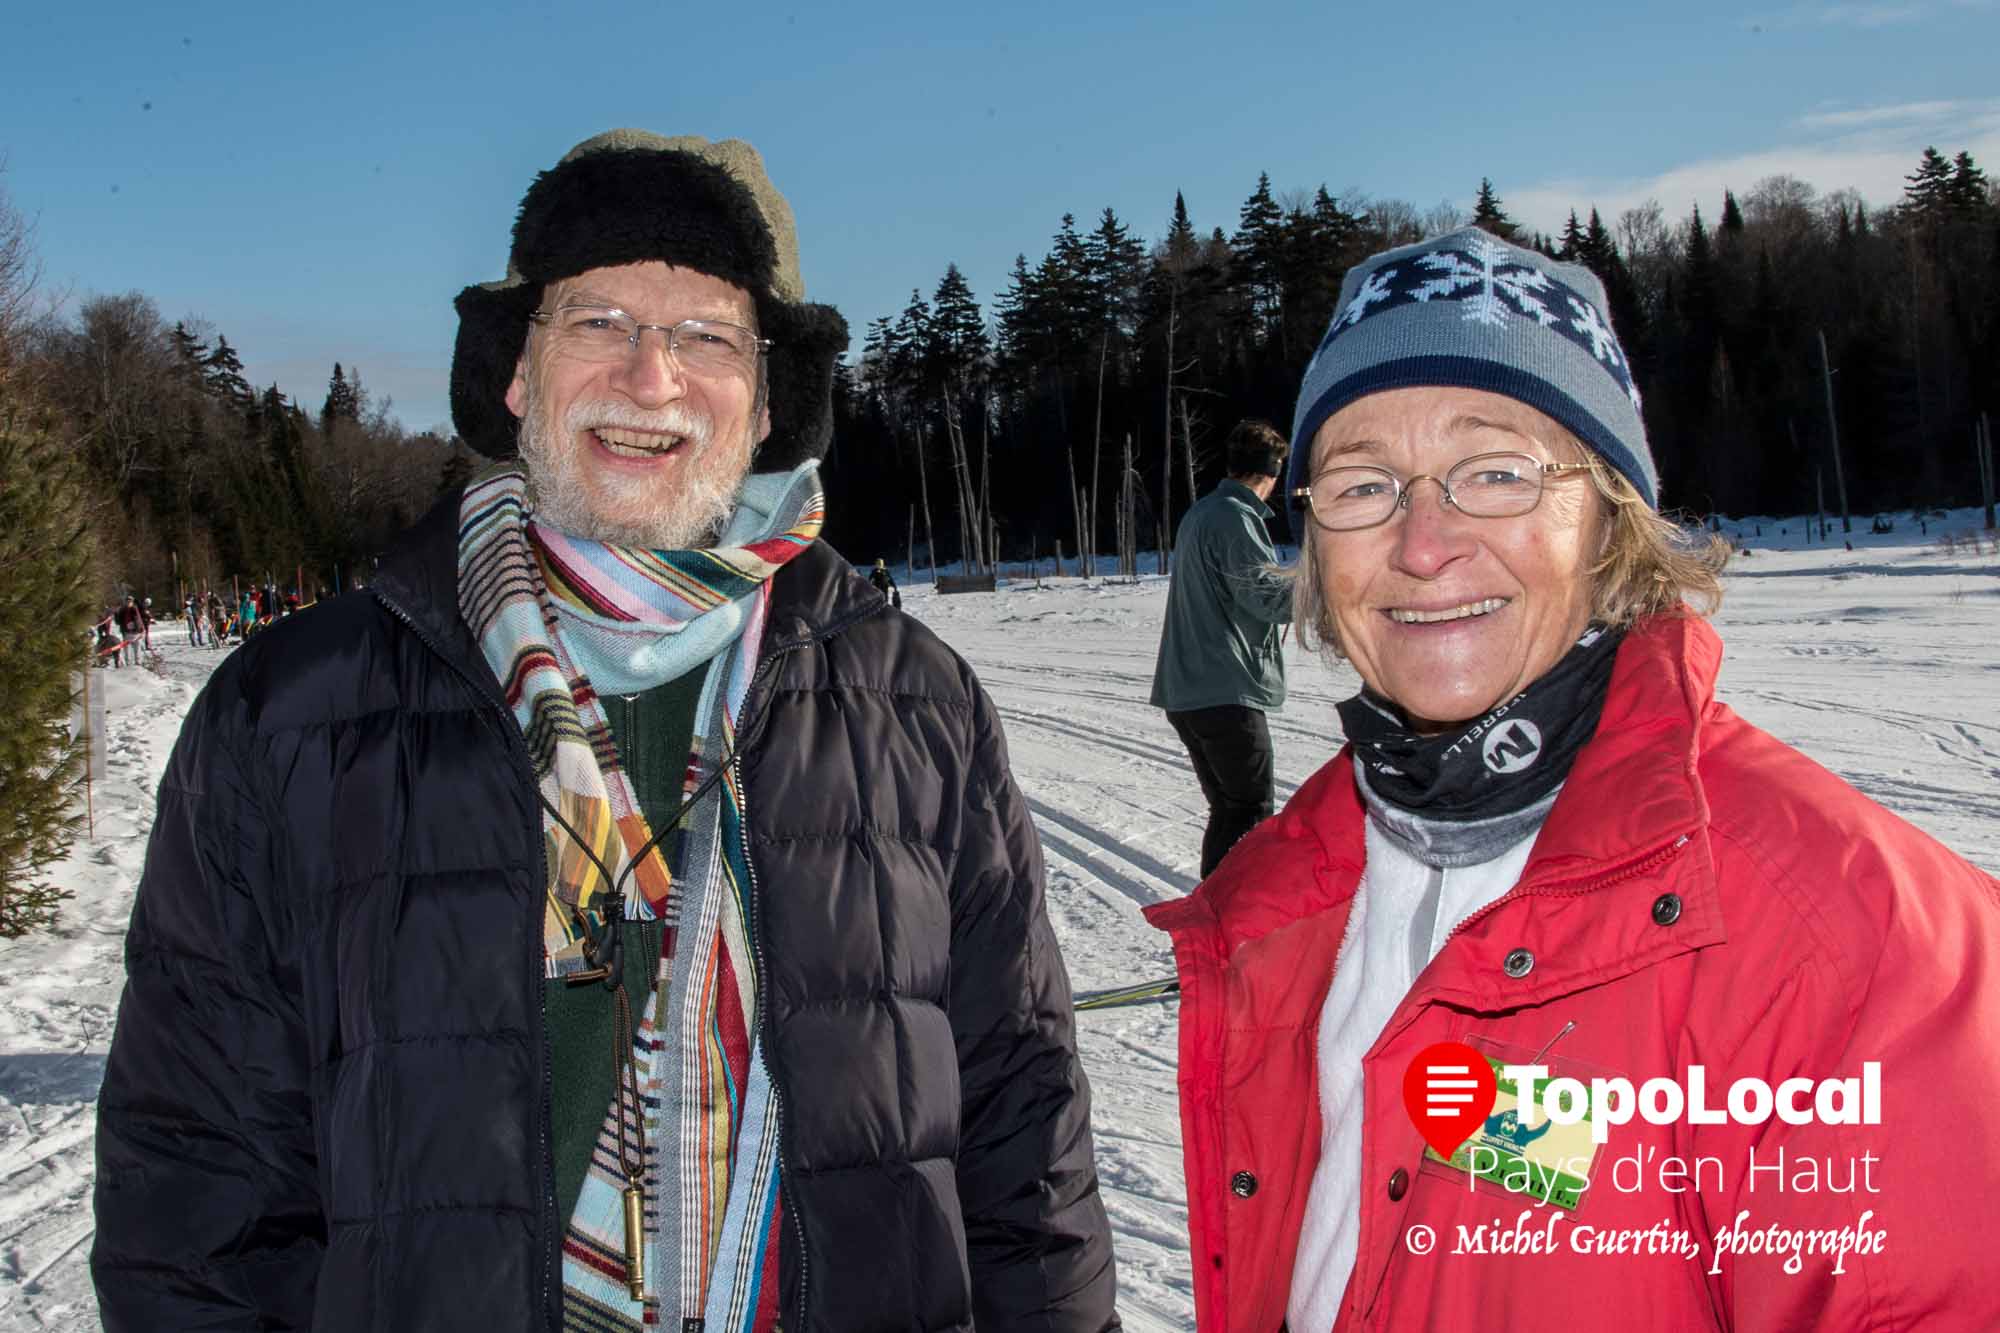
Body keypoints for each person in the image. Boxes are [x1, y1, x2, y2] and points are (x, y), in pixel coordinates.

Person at [92, 130, 1116, 1333]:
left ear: (768, 399)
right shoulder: (290, 716)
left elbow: (1023, 1128)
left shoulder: (917, 705)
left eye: (707, 335)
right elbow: (196, 1197)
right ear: (515, 374)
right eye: (597, 321)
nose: (651, 377)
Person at [1144, 228, 2000, 1329]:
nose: (1421, 542)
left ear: (1608, 516)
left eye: (1495, 473)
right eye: (1361, 484)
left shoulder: (1859, 950)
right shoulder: (1284, 909)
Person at [1149, 418, 1294, 876]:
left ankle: (1214, 910)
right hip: (1222, 688)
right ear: (1271, 472)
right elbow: (1266, 597)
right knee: (1250, 809)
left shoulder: (1203, 512)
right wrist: (1324, 584)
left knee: (1232, 809)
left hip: (1191, 689)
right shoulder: (1235, 517)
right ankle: (1233, 913)